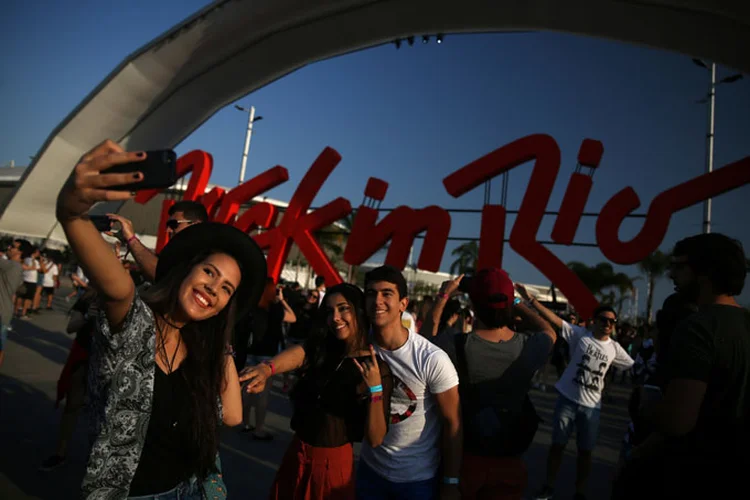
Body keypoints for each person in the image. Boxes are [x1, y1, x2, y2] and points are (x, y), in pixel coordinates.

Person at [56, 140, 267, 499]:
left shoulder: (203, 349)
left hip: (187, 490)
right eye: (209, 272)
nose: (214, 288)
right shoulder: (135, 324)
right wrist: (71, 214)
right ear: (186, 270)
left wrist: (221, 338)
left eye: (227, 289)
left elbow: (231, 416)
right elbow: (119, 290)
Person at [240, 283, 393, 499]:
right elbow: (302, 352)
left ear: (359, 311)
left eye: (343, 308)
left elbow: (376, 439)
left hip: (332, 467)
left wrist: (375, 389)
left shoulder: (375, 367)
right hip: (297, 454)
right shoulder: (324, 350)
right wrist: (267, 369)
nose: (336, 317)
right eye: (330, 311)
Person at [633, 233, 750, 498]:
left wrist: (647, 406)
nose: (672, 275)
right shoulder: (744, 324)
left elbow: (677, 422)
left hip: (697, 474)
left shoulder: (699, 327)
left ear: (705, 271)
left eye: (679, 266)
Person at [436, 270, 557, 499]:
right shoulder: (528, 347)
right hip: (510, 463)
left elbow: (423, 342)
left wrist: (443, 296)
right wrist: (517, 301)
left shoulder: (455, 345)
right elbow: (549, 331)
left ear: (473, 304)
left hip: (464, 461)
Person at [519, 284, 634, 500]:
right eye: (604, 320)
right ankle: (549, 486)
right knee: (557, 446)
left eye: (612, 321)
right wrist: (531, 300)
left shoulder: (615, 349)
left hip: (592, 408)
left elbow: (635, 367)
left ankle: (579, 492)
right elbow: (553, 319)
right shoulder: (579, 335)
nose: (608, 324)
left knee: (585, 452)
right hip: (567, 400)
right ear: (594, 321)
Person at [357, 265, 462, 500]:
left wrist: (451, 482)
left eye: (387, 294)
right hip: (370, 470)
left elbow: (453, 423)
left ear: (403, 304)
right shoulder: (361, 347)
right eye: (371, 293)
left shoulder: (431, 359)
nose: (378, 301)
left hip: (416, 480)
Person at [40, 288, 99, 471]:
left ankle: (98, 458)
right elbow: (70, 327)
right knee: (73, 404)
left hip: (108, 360)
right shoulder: (89, 297)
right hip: (83, 356)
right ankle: (61, 452)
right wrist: (88, 317)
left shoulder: (128, 292)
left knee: (103, 411)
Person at [240, 279, 296, 440]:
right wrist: (282, 299)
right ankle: (258, 428)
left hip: (250, 353)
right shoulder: (276, 309)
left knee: (247, 390)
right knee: (262, 394)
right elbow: (293, 318)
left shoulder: (252, 307)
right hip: (267, 356)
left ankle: (244, 422)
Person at [108, 200, 209, 282]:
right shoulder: (172, 255)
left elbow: (160, 274)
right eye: (168, 226)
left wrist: (131, 240)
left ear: (195, 225)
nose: (168, 230)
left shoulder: (205, 258)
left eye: (174, 225)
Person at [0, 239, 27, 367]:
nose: (9, 248)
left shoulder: (11, 265)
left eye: (13, 246)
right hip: (5, 311)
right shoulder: (18, 268)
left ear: (20, 252)